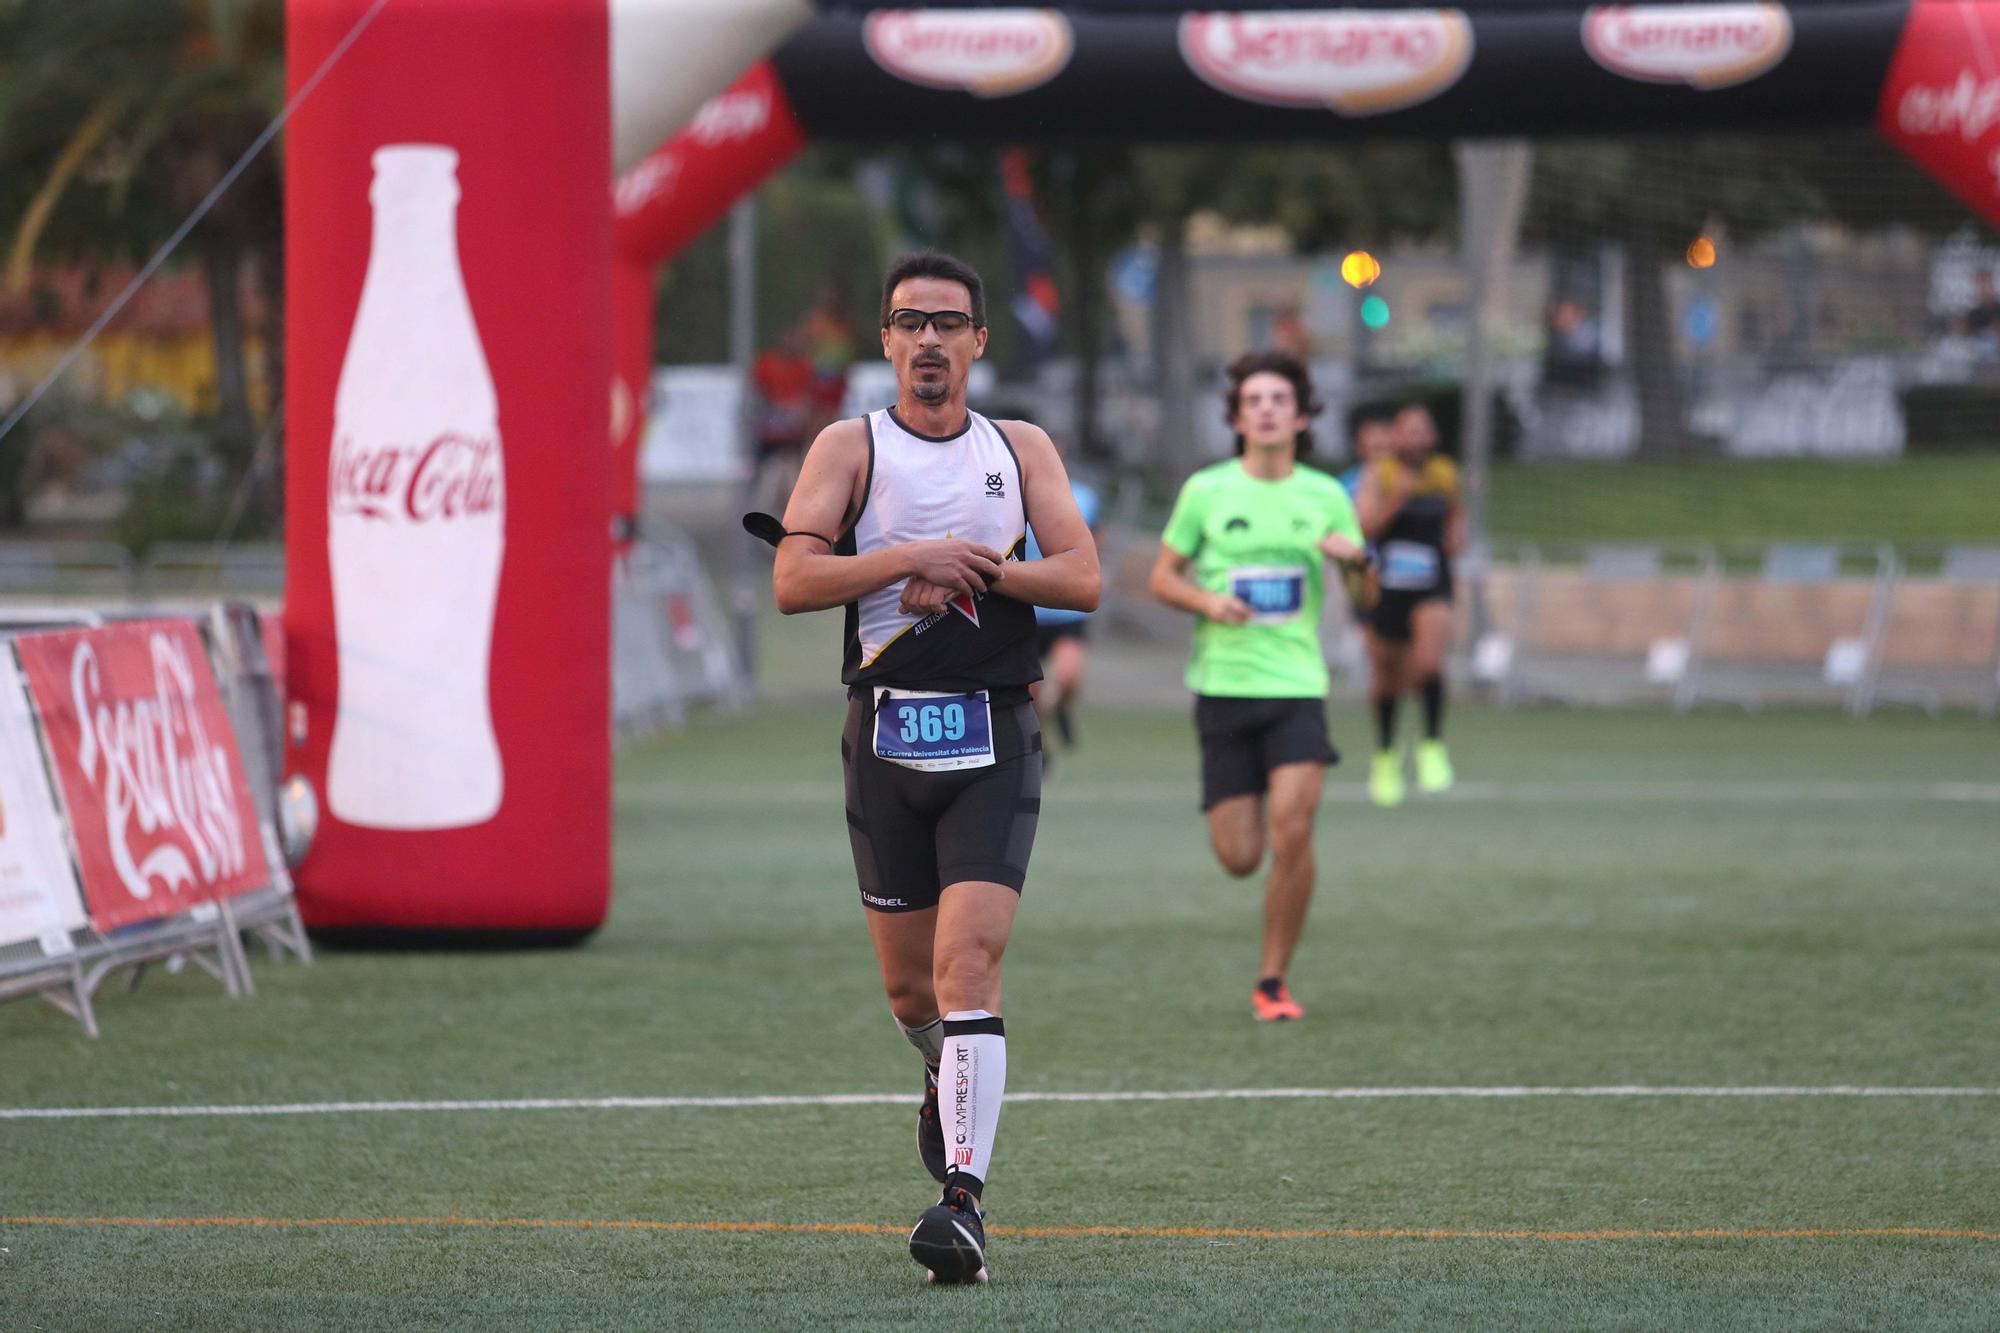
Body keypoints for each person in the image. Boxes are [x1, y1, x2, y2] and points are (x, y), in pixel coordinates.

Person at [769, 251, 1099, 1285]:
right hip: (884, 740)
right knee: (913, 991)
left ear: (977, 343)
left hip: (994, 736)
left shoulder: (1020, 446)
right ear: (884, 339)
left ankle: (962, 1204)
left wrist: (978, 568)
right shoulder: (846, 446)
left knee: (969, 965)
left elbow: (1082, 577)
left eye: (947, 324)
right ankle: (941, 1069)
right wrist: (909, 557)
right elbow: (792, 577)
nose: (927, 341)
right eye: (909, 322)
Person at [1147, 351, 1367, 1023]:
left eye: (1280, 399)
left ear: (1301, 416)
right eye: (1255, 399)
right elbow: (1162, 577)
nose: (1267, 408)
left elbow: (1366, 593)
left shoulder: (1327, 495)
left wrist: (1358, 561)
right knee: (1241, 856)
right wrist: (1208, 604)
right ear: (1238, 416)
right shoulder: (1207, 492)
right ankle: (1265, 884)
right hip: (1223, 687)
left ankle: (1273, 979)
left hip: (1298, 685)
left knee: (1293, 828)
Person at [1354, 402, 1466, 807]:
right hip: (1388, 586)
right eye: (1408, 430)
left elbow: (1456, 519)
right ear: (1395, 436)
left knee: (1428, 665)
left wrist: (1456, 537)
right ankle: (1385, 754)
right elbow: (1363, 527)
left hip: (1431, 584)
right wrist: (1395, 499)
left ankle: (1431, 745)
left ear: (1433, 438)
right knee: (1386, 678)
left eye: (1424, 431)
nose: (1416, 438)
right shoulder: (1379, 473)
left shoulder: (1444, 473)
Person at [1025, 452, 1101, 756]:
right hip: (1027, 609)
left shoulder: (1082, 496)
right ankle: (1040, 746)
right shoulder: (1009, 492)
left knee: (1069, 676)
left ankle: (1062, 709)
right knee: (1031, 694)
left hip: (1066, 611)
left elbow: (1096, 539)